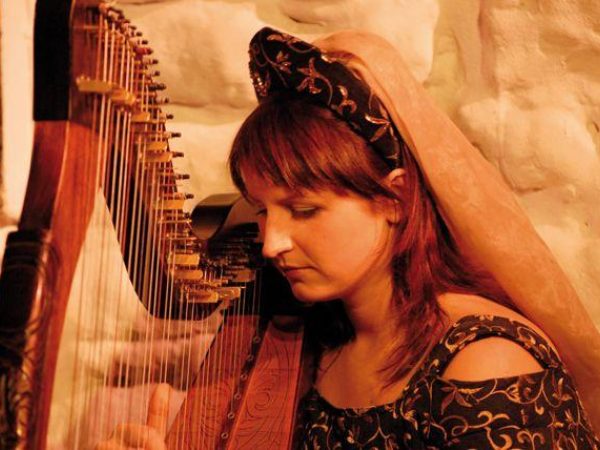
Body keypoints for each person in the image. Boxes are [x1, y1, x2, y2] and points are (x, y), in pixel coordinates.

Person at [97, 27, 600, 449]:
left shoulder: (487, 365)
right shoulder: (316, 333)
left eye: (304, 210)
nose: (271, 244)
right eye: (263, 211)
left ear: (394, 199)